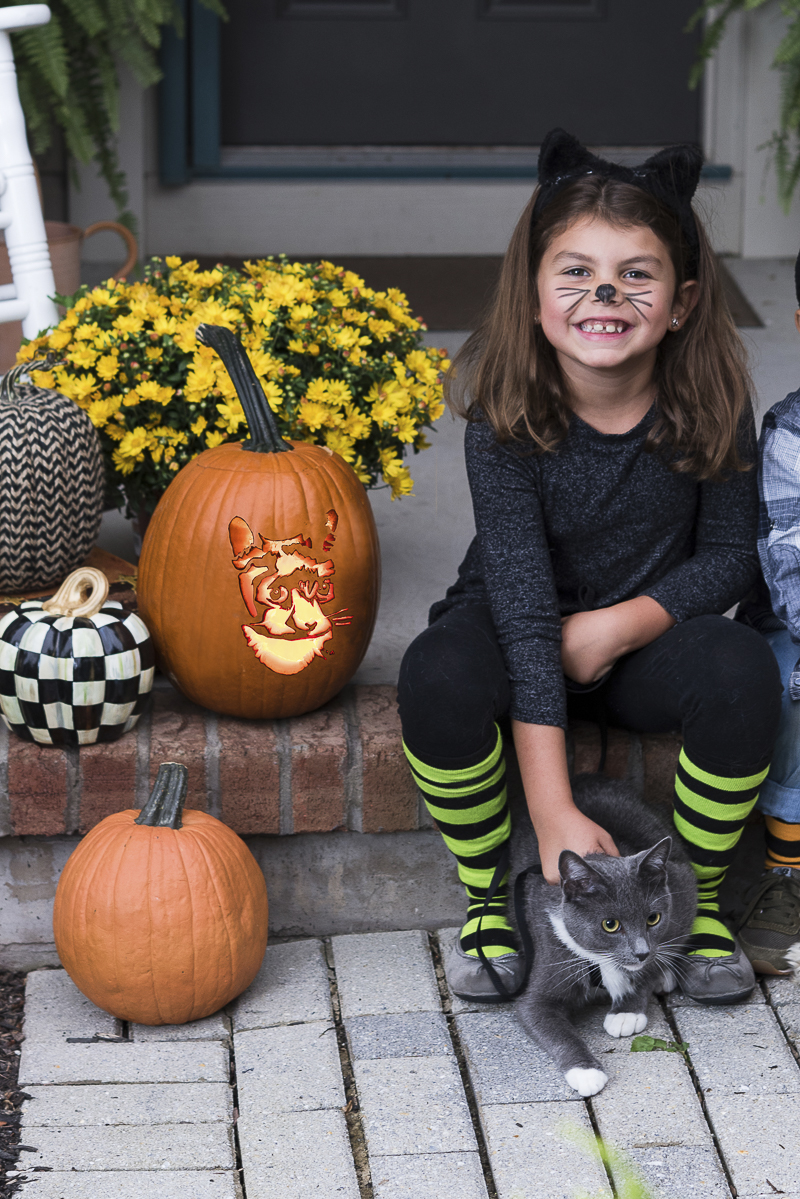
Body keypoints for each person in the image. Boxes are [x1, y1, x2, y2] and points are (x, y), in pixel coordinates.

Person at [398, 129, 782, 1007]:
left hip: (644, 646)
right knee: (436, 672)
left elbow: (731, 556)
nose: (605, 294)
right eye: (576, 271)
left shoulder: (713, 402)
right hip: (516, 635)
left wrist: (617, 626)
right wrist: (552, 812)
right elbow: (527, 619)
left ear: (680, 302)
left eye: (635, 274)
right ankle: (489, 895)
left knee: (741, 668)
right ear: (535, 293)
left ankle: (692, 899)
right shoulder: (505, 419)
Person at [735, 251, 800, 976]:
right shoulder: (792, 434)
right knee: (793, 683)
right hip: (792, 618)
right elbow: (789, 562)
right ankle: (786, 870)